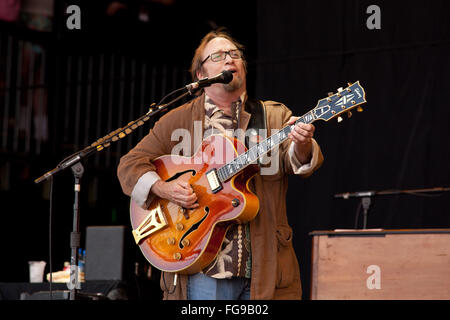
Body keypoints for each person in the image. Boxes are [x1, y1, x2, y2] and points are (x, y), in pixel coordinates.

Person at [117, 28, 324, 300]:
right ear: (201, 75)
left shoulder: (273, 116)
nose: (229, 59)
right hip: (200, 269)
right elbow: (129, 166)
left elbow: (301, 161)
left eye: (234, 54)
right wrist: (164, 189)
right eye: (218, 55)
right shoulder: (176, 120)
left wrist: (302, 142)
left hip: (266, 271)